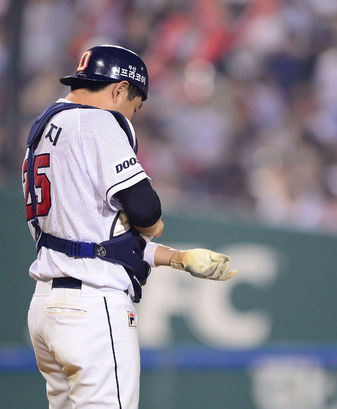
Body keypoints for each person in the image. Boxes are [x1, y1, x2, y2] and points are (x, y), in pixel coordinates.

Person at [23, 45, 235, 409]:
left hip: (47, 306)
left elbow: (92, 238)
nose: (130, 114)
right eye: (134, 106)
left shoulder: (42, 131)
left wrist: (178, 258)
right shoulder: (96, 121)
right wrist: (153, 224)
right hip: (92, 306)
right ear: (120, 89)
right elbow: (145, 210)